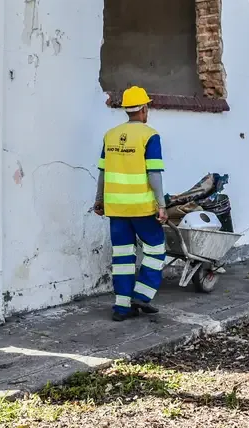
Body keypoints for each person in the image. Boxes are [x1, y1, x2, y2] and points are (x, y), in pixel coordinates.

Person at [93, 86, 168, 321]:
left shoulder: (110, 135)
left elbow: (103, 173)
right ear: (144, 109)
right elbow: (154, 174)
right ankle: (142, 295)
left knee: (122, 257)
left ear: (127, 110)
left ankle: (122, 308)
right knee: (156, 249)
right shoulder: (150, 135)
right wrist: (162, 204)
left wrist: (99, 200)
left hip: (116, 207)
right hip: (141, 208)